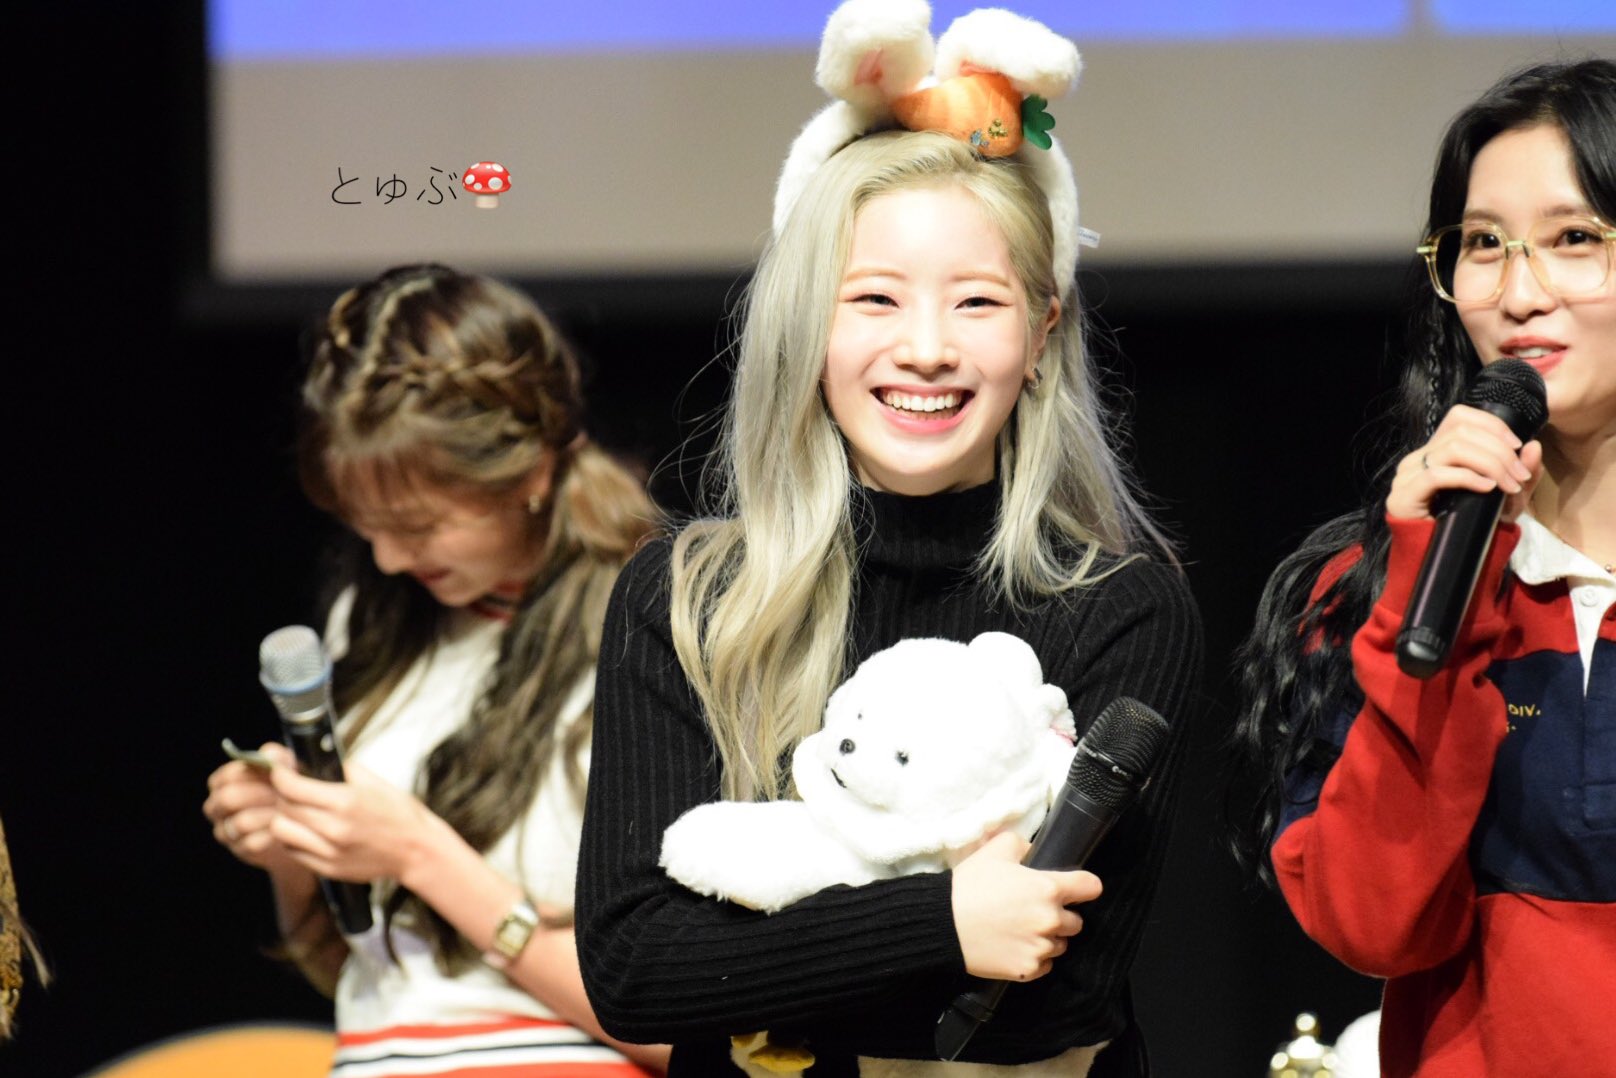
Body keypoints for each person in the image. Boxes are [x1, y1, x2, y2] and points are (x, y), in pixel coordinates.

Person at [574, 5, 1202, 1074]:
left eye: (976, 303)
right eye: (873, 298)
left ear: (1040, 334)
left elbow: (1059, 998)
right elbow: (636, 969)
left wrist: (756, 969)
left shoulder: (1121, 605)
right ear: (808, 323)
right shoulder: (686, 598)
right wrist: (948, 923)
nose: (925, 349)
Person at [1231, 59, 1615, 1076]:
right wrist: (1423, 592)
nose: (1518, 292)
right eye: (1482, 244)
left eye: (1575, 239)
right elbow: (1371, 923)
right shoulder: (1377, 584)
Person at [202, 264, 668, 1076]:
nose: (387, 557)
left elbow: (684, 1032)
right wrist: (295, 852)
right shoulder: (377, 615)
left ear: (530, 470)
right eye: (366, 526)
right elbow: (362, 977)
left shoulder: (655, 628)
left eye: (417, 525)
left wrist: (419, 853)